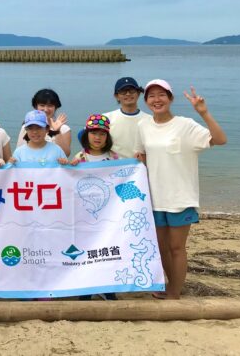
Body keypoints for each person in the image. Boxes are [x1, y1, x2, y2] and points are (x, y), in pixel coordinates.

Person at [134, 79, 227, 300]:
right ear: (146, 101)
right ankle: (171, 284)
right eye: (151, 96)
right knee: (161, 247)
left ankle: (174, 292)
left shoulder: (185, 125)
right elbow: (142, 156)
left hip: (180, 197)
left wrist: (203, 112)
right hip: (154, 197)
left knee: (177, 247)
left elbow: (220, 140)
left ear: (170, 98)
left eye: (161, 95)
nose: (157, 100)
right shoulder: (143, 126)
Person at [66, 114, 119, 301]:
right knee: (86, 251)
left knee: (107, 249)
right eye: (94, 133)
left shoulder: (114, 158)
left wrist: (137, 163)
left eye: (102, 134)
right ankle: (85, 288)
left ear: (107, 137)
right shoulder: (80, 157)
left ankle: (107, 287)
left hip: (107, 214)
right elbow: (69, 183)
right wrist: (70, 169)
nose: (97, 138)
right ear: (86, 135)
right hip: (84, 215)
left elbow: (122, 178)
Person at [15, 89, 71, 157]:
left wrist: (57, 131)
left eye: (50, 105)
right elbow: (19, 153)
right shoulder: (26, 127)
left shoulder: (64, 129)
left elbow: (65, 155)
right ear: (36, 107)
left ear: (55, 107)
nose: (46, 109)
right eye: (42, 105)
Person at [106, 77, 150, 158]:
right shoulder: (106, 118)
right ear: (116, 96)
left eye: (132, 90)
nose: (128, 94)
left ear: (138, 93)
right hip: (114, 167)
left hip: (141, 167)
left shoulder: (150, 120)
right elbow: (87, 138)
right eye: (123, 91)